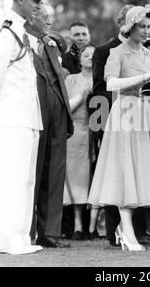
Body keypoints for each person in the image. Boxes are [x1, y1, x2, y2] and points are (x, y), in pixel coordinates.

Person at [87, 4, 150, 252]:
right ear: (130, 27)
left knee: (139, 169)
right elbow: (112, 83)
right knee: (125, 168)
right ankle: (126, 229)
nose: (146, 31)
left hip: (143, 112)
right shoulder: (117, 52)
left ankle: (124, 227)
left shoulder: (149, 55)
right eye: (142, 26)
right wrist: (144, 78)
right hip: (124, 112)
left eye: (149, 26)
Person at [0, 0, 45, 255]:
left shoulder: (20, 33)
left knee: (25, 181)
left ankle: (19, 237)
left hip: (25, 118)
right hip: (10, 119)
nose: (38, 6)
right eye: (35, 1)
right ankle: (7, 240)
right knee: (11, 181)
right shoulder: (6, 34)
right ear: (20, 0)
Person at [25, 5, 73, 248]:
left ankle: (50, 233)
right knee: (32, 174)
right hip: (34, 113)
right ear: (32, 18)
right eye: (46, 18)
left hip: (58, 112)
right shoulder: (21, 43)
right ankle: (27, 232)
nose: (50, 23)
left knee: (55, 175)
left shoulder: (52, 44)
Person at [87, 4, 133, 247]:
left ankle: (138, 229)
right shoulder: (105, 51)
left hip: (139, 121)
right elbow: (98, 90)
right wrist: (102, 125)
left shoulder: (144, 51)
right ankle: (114, 230)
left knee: (136, 172)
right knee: (115, 175)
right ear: (121, 23)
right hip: (113, 120)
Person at [63, 43, 100, 240]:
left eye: (93, 55)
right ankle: (78, 224)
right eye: (86, 54)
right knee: (76, 177)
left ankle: (94, 226)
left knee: (95, 176)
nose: (89, 57)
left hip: (96, 130)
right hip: (76, 131)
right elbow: (65, 107)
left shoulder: (101, 79)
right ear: (79, 59)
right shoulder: (71, 79)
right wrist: (81, 95)